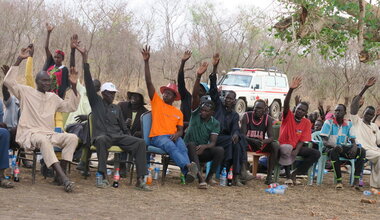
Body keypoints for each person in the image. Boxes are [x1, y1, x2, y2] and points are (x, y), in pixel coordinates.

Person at [4, 47, 80, 192]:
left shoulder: (53, 97)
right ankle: (64, 179)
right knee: (43, 140)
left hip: (48, 133)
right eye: (44, 81)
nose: (48, 83)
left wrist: (74, 86)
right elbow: (8, 81)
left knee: (72, 138)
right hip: (29, 133)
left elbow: (71, 106)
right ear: (37, 81)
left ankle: (59, 176)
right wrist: (20, 59)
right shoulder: (26, 92)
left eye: (49, 81)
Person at [77, 46, 150, 190]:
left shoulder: (116, 108)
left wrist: (129, 138)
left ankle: (141, 179)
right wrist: (85, 60)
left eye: (114, 94)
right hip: (102, 136)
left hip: (117, 136)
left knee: (140, 143)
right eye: (110, 93)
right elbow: (89, 83)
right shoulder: (96, 102)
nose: (112, 96)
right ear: (103, 93)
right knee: (102, 140)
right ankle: (101, 176)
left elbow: (123, 127)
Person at [141, 45, 198, 183]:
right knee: (171, 146)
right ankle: (188, 167)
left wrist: (177, 134)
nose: (166, 94)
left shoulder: (177, 112)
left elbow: (180, 129)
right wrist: (146, 62)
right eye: (165, 92)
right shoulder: (157, 103)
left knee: (182, 147)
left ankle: (187, 170)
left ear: (174, 97)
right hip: (158, 137)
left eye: (169, 93)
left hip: (172, 136)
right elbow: (149, 82)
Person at [209, 53, 252, 185]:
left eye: (231, 99)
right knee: (236, 141)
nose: (228, 100)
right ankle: (236, 173)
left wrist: (235, 134)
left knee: (237, 142)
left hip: (227, 140)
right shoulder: (218, 107)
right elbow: (213, 90)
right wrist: (215, 68)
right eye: (226, 97)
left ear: (234, 101)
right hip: (214, 137)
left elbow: (235, 128)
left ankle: (235, 177)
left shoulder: (234, 115)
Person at [184, 61, 224, 188]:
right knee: (191, 145)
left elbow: (213, 142)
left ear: (212, 112)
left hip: (201, 149)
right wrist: (198, 76)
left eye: (206, 111)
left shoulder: (215, 123)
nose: (202, 112)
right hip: (187, 149)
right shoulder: (196, 114)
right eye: (202, 109)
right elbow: (195, 95)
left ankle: (208, 177)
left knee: (219, 150)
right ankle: (200, 179)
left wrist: (205, 146)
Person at [278, 76, 320, 185]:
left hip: (295, 146)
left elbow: (302, 139)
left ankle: (295, 173)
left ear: (305, 112)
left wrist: (297, 150)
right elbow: (286, 104)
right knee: (287, 148)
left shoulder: (306, 122)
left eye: (303, 110)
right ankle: (288, 177)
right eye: (299, 109)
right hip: (284, 144)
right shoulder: (288, 116)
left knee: (315, 153)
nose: (300, 111)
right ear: (295, 109)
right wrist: (291, 89)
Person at [320, 104, 365, 189]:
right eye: (336, 110)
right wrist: (334, 145)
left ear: (344, 113)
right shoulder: (328, 122)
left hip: (342, 148)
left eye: (340, 111)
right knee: (334, 151)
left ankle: (356, 180)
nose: (337, 112)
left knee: (362, 151)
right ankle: (339, 181)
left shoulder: (349, 124)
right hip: (329, 148)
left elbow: (352, 139)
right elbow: (324, 141)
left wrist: (354, 146)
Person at [241, 99, 280, 184]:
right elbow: (242, 135)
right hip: (249, 142)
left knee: (275, 145)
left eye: (260, 108)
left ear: (265, 110)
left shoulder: (268, 119)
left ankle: (269, 177)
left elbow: (271, 137)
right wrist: (252, 140)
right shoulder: (246, 116)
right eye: (256, 108)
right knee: (240, 143)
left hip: (260, 144)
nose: (257, 110)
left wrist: (263, 141)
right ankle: (244, 173)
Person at [351, 77, 380, 190]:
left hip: (375, 150)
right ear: (363, 112)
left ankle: (376, 182)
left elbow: (378, 141)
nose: (369, 115)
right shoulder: (357, 122)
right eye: (367, 113)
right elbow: (353, 107)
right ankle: (375, 184)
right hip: (364, 150)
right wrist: (365, 87)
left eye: (371, 114)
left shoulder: (374, 126)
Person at [177, 50, 209, 124]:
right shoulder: (186, 97)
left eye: (201, 90)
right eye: (198, 88)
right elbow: (180, 82)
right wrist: (182, 63)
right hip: (182, 129)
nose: (198, 91)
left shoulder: (206, 107)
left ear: (205, 93)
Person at [42, 23, 69, 99]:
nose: (56, 59)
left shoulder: (64, 69)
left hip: (56, 98)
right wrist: (48, 33)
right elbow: (46, 47)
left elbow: (64, 86)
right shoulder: (51, 64)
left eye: (58, 57)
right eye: (55, 57)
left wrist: (61, 99)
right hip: (45, 95)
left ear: (62, 59)